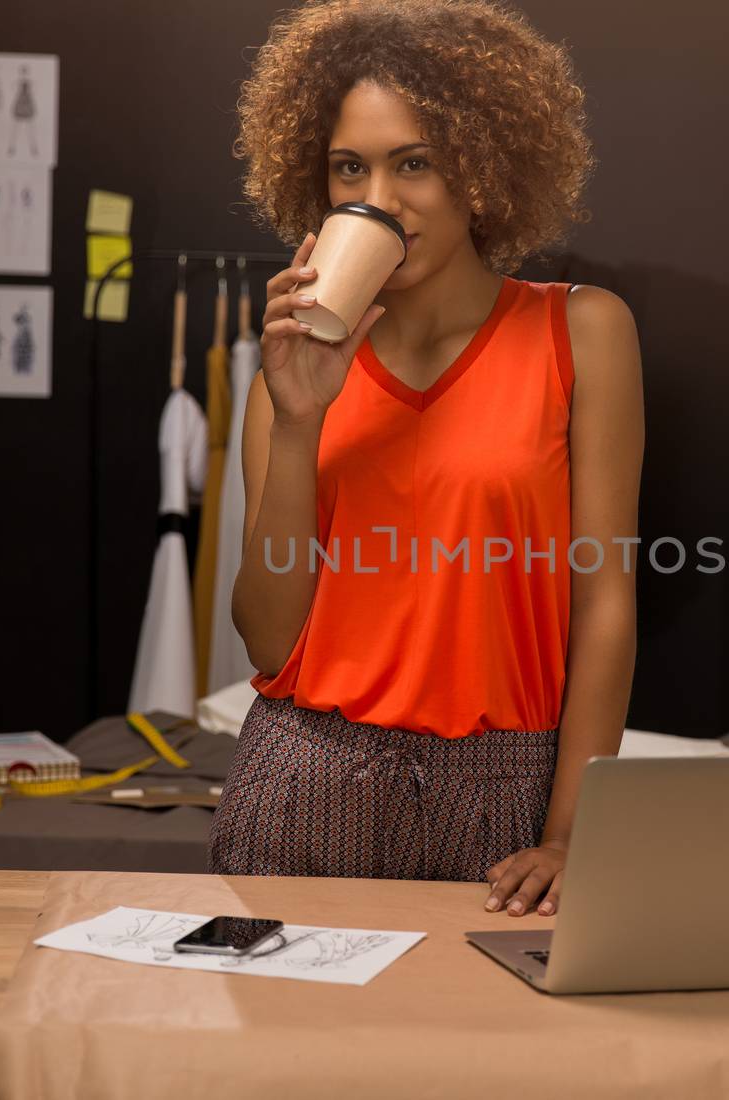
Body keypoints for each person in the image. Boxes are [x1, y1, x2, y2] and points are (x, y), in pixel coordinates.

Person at [208, 0, 644, 920]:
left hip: (505, 794)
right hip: (306, 777)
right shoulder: (285, 377)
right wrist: (297, 419)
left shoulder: (583, 333)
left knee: (494, 1064)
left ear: (481, 172)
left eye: (416, 163)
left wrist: (573, 832)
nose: (382, 198)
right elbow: (267, 639)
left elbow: (604, 603)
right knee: (288, 1063)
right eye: (350, 169)